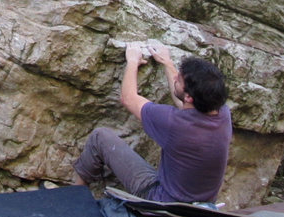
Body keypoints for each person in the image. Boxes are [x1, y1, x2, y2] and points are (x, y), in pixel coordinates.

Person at [73, 42, 231, 204]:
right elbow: (184, 102)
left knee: (100, 137)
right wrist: (167, 63)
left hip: (161, 205)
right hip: (196, 210)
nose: (175, 77)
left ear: (190, 97)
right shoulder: (222, 113)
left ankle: (73, 197)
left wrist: (132, 61)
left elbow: (128, 98)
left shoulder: (175, 123)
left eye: (179, 79)